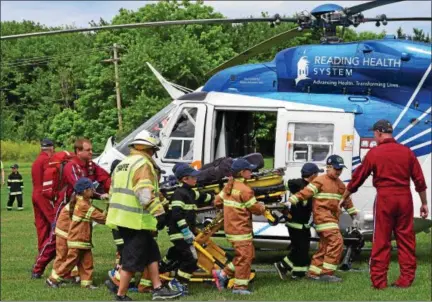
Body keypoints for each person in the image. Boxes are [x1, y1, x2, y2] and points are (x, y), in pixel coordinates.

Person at [342, 119, 428, 289]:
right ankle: (406, 279)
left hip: (385, 198)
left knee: (381, 239)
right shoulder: (407, 152)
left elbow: (357, 179)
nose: (374, 137)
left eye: (374, 134)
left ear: (379, 133)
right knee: (406, 239)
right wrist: (424, 203)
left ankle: (379, 281)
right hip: (405, 198)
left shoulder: (374, 153)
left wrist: (344, 197)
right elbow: (419, 180)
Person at [105, 130, 181, 301]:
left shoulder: (123, 163)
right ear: (148, 149)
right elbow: (144, 193)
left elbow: (112, 191)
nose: (154, 154)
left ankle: (158, 288)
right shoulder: (143, 164)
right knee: (133, 258)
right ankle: (121, 295)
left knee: (152, 253)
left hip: (121, 217)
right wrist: (159, 213)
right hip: (134, 220)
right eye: (154, 150)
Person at [32, 138, 111, 278]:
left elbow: (104, 177)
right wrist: (100, 196)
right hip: (65, 207)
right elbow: (79, 186)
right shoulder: (71, 166)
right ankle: (38, 269)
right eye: (88, 150)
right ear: (78, 151)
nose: (91, 152)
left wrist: (111, 188)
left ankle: (75, 273)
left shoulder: (91, 165)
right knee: (56, 238)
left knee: (80, 240)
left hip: (81, 205)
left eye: (91, 150)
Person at [284, 155, 358, 282]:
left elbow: (346, 200)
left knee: (325, 246)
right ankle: (327, 273)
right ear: (328, 167)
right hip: (323, 218)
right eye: (336, 169)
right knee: (337, 242)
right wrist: (291, 200)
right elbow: (305, 192)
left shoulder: (340, 184)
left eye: (340, 169)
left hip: (332, 219)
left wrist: (354, 215)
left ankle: (314, 272)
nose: (339, 171)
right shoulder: (320, 180)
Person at [212, 158, 271, 295]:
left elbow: (217, 201)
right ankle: (239, 288)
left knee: (245, 255)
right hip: (240, 230)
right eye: (249, 170)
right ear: (242, 172)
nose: (251, 172)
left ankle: (223, 274)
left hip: (231, 228)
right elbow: (255, 209)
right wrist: (261, 207)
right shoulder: (245, 190)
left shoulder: (229, 186)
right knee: (245, 257)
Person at [161, 164, 214, 295]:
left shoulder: (190, 192)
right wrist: (185, 231)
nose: (196, 178)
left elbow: (202, 197)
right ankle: (178, 283)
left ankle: (163, 266)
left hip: (185, 232)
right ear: (185, 179)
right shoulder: (179, 194)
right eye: (193, 176)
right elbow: (177, 214)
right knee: (191, 259)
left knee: (180, 254)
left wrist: (215, 197)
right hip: (179, 233)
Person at [47, 177, 107, 289]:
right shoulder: (83, 205)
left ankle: (86, 283)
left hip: (82, 239)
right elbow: (101, 217)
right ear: (85, 191)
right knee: (66, 259)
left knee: (87, 261)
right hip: (74, 237)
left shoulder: (82, 201)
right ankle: (53, 279)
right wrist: (111, 208)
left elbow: (97, 213)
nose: (93, 191)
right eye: (91, 189)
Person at [274, 163, 323, 280]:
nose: (318, 176)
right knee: (299, 249)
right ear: (312, 175)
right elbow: (282, 186)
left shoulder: (300, 184)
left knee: (303, 249)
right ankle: (282, 265)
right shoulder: (301, 185)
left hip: (302, 225)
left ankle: (298, 273)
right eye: (317, 174)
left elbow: (284, 185)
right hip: (296, 224)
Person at [31, 139, 55, 278]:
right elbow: (49, 178)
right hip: (44, 196)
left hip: (35, 194)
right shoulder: (47, 160)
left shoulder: (36, 160)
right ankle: (42, 261)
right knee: (55, 224)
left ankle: (40, 258)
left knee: (42, 229)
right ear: (51, 148)